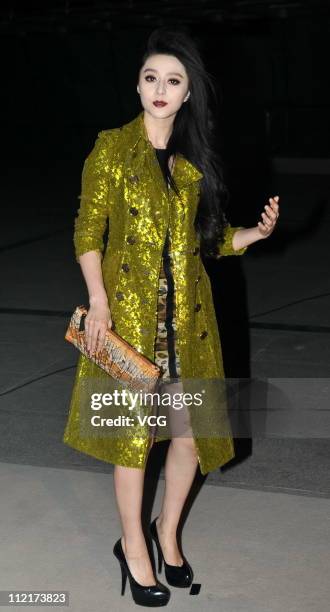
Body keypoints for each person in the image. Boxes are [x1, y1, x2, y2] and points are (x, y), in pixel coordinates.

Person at [63, 27, 280, 606]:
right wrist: (100, 301)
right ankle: (134, 550)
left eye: (174, 81)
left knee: (188, 441)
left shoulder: (193, 162)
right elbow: (88, 229)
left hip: (190, 325)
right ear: (138, 85)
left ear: (187, 95)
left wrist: (253, 234)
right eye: (151, 77)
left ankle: (166, 532)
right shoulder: (111, 148)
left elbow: (205, 242)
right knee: (134, 441)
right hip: (130, 325)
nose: (161, 89)